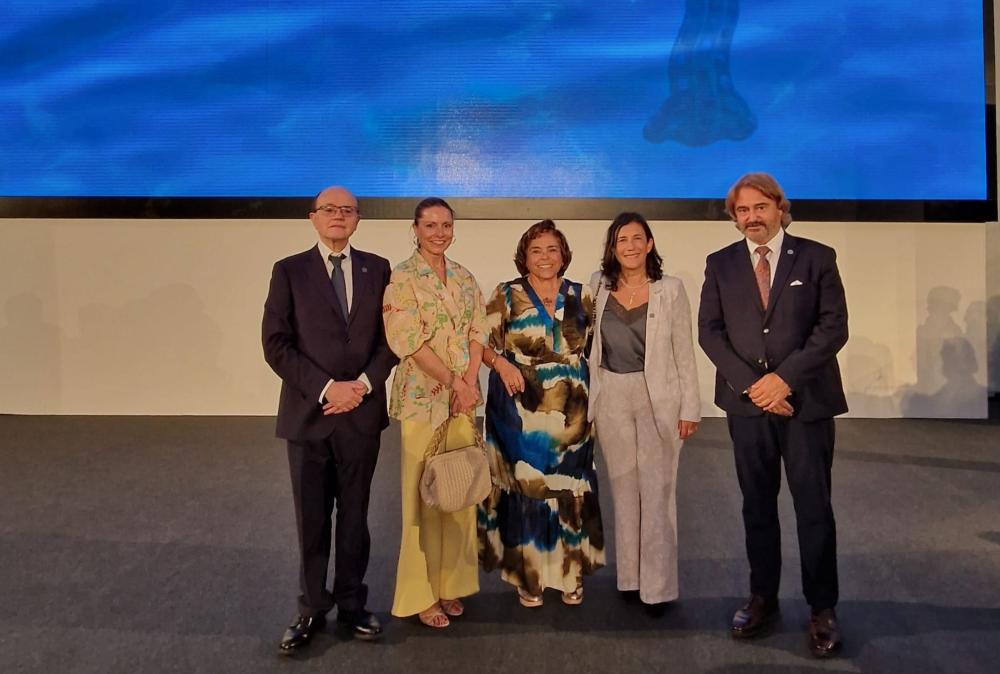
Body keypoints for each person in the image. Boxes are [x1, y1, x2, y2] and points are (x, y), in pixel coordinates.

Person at [697, 173, 848, 658]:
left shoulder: (817, 257)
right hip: (748, 407)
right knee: (757, 507)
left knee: (813, 509)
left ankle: (822, 608)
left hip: (806, 404)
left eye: (760, 207)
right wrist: (755, 387)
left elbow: (832, 328)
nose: (752, 218)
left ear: (780, 208)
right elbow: (711, 333)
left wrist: (784, 381)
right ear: (734, 216)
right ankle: (762, 598)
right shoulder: (719, 264)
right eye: (742, 210)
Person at [262, 185, 397, 654]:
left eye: (347, 210)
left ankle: (353, 603)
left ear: (358, 218)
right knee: (313, 518)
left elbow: (391, 341)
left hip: (361, 415)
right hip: (309, 415)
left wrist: (359, 386)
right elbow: (276, 344)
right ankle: (311, 607)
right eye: (329, 209)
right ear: (312, 217)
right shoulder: (288, 271)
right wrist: (326, 388)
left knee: (356, 517)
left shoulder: (378, 269)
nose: (338, 216)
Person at [478, 220, 604, 607]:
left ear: (564, 254)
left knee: (568, 489)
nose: (545, 257)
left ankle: (569, 574)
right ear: (524, 257)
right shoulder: (506, 293)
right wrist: (502, 365)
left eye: (552, 249)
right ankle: (528, 576)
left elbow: (597, 350)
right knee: (527, 490)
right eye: (537, 250)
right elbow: (479, 344)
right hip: (519, 411)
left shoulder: (584, 296)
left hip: (572, 414)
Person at [588, 212, 700, 614]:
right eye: (622, 240)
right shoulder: (596, 286)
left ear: (649, 243)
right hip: (610, 396)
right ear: (612, 248)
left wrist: (690, 407)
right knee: (623, 488)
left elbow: (684, 353)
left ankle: (658, 587)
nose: (630, 247)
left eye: (638, 238)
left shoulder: (670, 289)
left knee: (657, 492)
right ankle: (630, 579)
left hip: (658, 398)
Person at [382, 197, 487, 628]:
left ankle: (450, 586)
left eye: (446, 224)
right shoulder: (402, 278)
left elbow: (480, 330)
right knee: (419, 500)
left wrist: (471, 382)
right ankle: (420, 595)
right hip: (423, 401)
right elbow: (406, 341)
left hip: (463, 402)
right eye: (430, 225)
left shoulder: (464, 276)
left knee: (458, 492)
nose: (439, 232)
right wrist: (455, 383)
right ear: (415, 228)